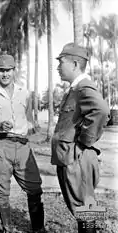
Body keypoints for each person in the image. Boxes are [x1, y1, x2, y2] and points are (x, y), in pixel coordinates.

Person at [0, 54, 45, 233]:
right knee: (2, 193)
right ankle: (7, 228)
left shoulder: (24, 93)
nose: (5, 74)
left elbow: (30, 120)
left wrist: (31, 129)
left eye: (8, 70)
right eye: (1, 71)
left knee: (35, 189)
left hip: (23, 146)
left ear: (14, 71)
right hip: (2, 145)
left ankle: (38, 229)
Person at [51, 43, 110, 233]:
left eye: (61, 62)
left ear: (75, 64)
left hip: (78, 158)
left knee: (86, 208)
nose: (58, 67)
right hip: (72, 157)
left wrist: (84, 141)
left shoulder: (84, 87)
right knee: (84, 208)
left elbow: (101, 110)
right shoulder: (74, 89)